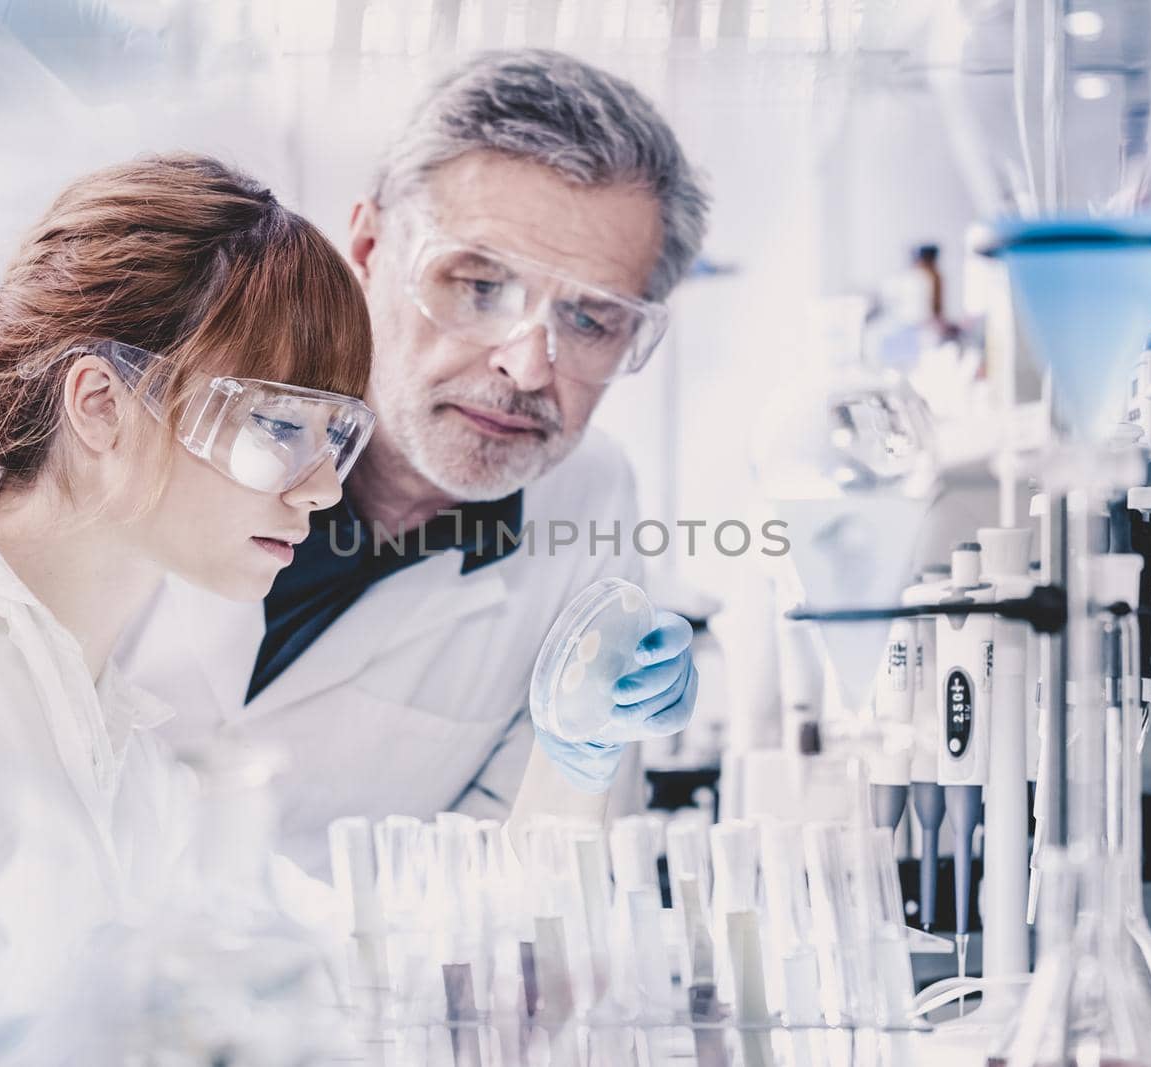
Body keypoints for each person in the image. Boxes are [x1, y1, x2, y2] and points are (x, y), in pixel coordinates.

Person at [0, 154, 375, 1063]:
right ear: (99, 403)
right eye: (277, 425)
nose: (321, 489)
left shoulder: (130, 763)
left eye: (338, 437)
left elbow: (352, 966)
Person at [118, 49, 712, 877]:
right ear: (367, 244)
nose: (530, 367)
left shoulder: (590, 494)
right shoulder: (177, 397)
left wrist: (580, 763)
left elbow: (525, 878)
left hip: (331, 990)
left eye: (589, 319)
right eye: (479, 284)